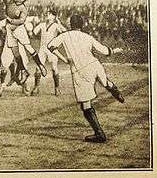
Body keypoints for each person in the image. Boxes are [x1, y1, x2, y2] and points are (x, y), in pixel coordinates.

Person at [47, 14, 125, 143]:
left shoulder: (65, 35)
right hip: (95, 65)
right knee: (104, 81)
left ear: (70, 24)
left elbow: (50, 46)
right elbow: (105, 51)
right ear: (81, 25)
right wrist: (116, 50)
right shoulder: (88, 36)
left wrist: (64, 59)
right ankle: (113, 89)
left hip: (80, 70)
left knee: (86, 105)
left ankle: (99, 134)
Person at [31, 9, 66, 96]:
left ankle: (57, 88)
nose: (47, 15)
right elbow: (33, 32)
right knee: (38, 68)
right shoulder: (42, 24)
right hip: (42, 49)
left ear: (54, 16)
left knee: (54, 68)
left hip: (52, 50)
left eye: (49, 14)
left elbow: (64, 32)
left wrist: (59, 23)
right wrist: (32, 23)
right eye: (47, 13)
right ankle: (36, 87)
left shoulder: (55, 25)